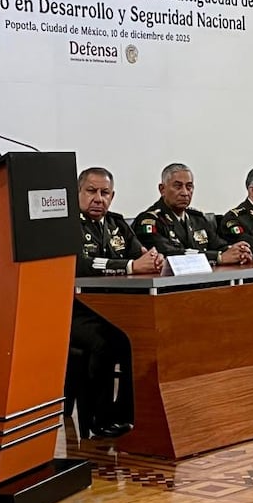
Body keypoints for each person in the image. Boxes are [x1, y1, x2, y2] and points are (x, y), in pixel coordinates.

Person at [73, 167, 164, 438]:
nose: (98, 199)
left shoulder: (117, 223)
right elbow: (82, 263)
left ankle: (128, 413)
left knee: (141, 337)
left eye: (105, 193)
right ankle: (98, 419)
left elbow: (140, 254)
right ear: (77, 192)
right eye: (91, 191)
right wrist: (129, 265)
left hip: (116, 308)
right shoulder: (66, 224)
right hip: (76, 311)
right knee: (109, 341)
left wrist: (153, 260)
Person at [132, 163, 252, 265]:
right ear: (162, 189)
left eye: (189, 187)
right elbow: (169, 254)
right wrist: (218, 258)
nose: (185, 193)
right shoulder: (149, 221)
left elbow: (219, 245)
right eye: (177, 186)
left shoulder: (197, 218)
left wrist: (238, 251)